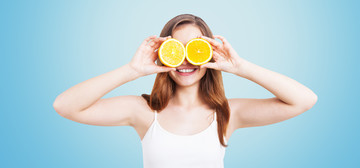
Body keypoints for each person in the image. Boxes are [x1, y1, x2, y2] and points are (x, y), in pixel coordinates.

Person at [53, 14, 318, 168]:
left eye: (195, 49)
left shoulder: (227, 114)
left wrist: (240, 67)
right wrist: (132, 70)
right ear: (164, 55)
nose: (185, 61)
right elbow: (65, 106)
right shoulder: (144, 112)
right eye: (176, 51)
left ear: (209, 54)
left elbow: (304, 100)